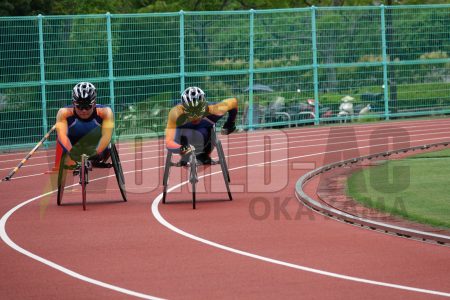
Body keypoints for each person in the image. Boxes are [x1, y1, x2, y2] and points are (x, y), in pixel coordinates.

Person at [165, 86, 238, 165]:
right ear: (183, 109)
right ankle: (186, 156)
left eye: (198, 111)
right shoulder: (175, 114)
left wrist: (230, 123)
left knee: (205, 131)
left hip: (205, 141)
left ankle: (203, 155)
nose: (195, 116)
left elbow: (233, 102)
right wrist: (182, 149)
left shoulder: (215, 109)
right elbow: (169, 142)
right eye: (191, 112)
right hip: (183, 142)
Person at [55, 82, 114, 165]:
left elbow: (106, 136)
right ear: (73, 104)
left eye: (87, 106)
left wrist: (96, 152)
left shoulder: (106, 112)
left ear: (94, 104)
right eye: (79, 106)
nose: (84, 110)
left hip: (96, 144)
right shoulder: (63, 113)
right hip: (74, 144)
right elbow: (62, 136)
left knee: (104, 151)